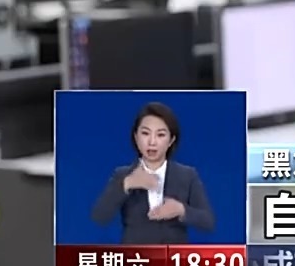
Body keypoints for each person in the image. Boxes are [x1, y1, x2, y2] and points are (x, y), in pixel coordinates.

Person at [90, 101, 215, 243]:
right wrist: (128, 184)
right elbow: (99, 216)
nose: (152, 142)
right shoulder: (123, 175)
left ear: (171, 140)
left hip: (172, 255)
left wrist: (181, 210)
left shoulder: (187, 175)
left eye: (160, 135)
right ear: (136, 137)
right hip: (135, 256)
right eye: (145, 133)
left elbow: (208, 221)